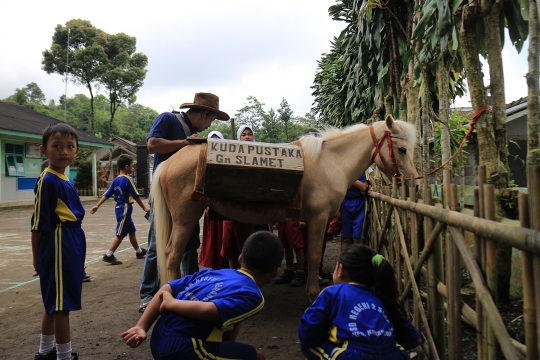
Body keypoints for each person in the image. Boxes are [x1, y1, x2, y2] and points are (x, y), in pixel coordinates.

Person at [122, 231, 284, 360]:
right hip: (184, 348)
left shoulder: (216, 272)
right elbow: (208, 310)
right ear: (275, 272)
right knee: (258, 356)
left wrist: (141, 326)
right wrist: (170, 304)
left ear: (241, 258)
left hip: (159, 336)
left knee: (234, 322)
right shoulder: (253, 296)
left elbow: (166, 288)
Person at [140, 92, 230, 313]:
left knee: (189, 245)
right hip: (165, 192)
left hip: (188, 196)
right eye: (210, 119)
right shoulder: (168, 119)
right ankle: (148, 294)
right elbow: (152, 144)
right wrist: (185, 142)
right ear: (203, 113)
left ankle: (190, 287)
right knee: (156, 244)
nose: (209, 125)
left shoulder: (195, 132)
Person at [298, 245, 423, 359]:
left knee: (308, 345)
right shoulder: (382, 297)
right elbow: (416, 340)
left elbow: (307, 333)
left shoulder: (332, 292)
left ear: (340, 269)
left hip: (351, 356)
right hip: (394, 355)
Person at [32, 123, 84, 360]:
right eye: (56, 146)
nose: (63, 151)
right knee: (62, 306)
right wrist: (36, 258)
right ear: (44, 150)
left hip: (70, 240)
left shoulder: (65, 179)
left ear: (77, 150)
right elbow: (38, 224)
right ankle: (64, 357)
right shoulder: (48, 180)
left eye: (69, 146)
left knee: (54, 301)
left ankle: (45, 351)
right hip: (58, 242)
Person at [90, 154, 150, 265]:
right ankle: (109, 254)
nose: (132, 168)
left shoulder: (116, 180)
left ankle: (138, 251)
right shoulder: (128, 179)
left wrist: (97, 205)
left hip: (119, 207)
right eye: (132, 166)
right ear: (127, 167)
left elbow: (107, 194)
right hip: (125, 207)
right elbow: (136, 195)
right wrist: (144, 208)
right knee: (121, 233)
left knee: (132, 231)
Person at [220, 125, 265, 269]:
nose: (247, 137)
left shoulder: (261, 155)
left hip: (254, 208)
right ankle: (234, 277)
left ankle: (250, 279)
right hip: (233, 207)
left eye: (249, 134)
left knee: (252, 246)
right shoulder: (231, 156)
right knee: (231, 247)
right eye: (243, 134)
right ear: (239, 137)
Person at [41, 159, 91, 283]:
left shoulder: (66, 181)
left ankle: (79, 270)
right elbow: (40, 222)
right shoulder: (49, 182)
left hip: (74, 230)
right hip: (63, 231)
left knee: (74, 258)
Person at [199, 130, 228, 269]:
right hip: (211, 205)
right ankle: (212, 263)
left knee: (224, 237)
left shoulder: (227, 160)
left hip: (225, 206)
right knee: (213, 237)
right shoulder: (204, 162)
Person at [340, 171, 369, 253]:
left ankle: (359, 262)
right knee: (345, 238)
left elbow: (364, 187)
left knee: (358, 238)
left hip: (359, 202)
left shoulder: (361, 170)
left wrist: (350, 177)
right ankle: (344, 262)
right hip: (345, 202)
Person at [273, 221, 307, 287]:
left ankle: (300, 273)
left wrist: (302, 220)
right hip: (283, 219)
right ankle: (289, 271)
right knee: (286, 246)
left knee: (297, 245)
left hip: (294, 218)